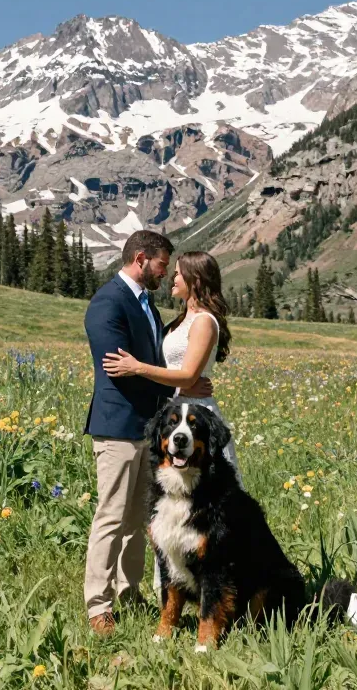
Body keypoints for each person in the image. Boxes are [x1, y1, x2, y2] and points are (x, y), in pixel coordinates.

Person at [82, 230, 214, 637]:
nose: (165, 273)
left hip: (150, 428)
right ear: (141, 259)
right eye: (162, 264)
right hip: (119, 426)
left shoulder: (147, 306)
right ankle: (98, 605)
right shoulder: (108, 303)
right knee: (111, 515)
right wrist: (176, 388)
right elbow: (118, 369)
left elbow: (149, 362)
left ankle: (128, 590)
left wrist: (181, 389)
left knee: (140, 517)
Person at [102, 250, 238, 595]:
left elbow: (190, 373)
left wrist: (138, 368)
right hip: (173, 415)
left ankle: (215, 591)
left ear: (194, 280)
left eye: (178, 274)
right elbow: (180, 376)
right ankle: (171, 590)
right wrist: (176, 385)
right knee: (169, 511)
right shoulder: (178, 320)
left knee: (208, 511)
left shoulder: (205, 321)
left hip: (196, 420)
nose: (172, 279)